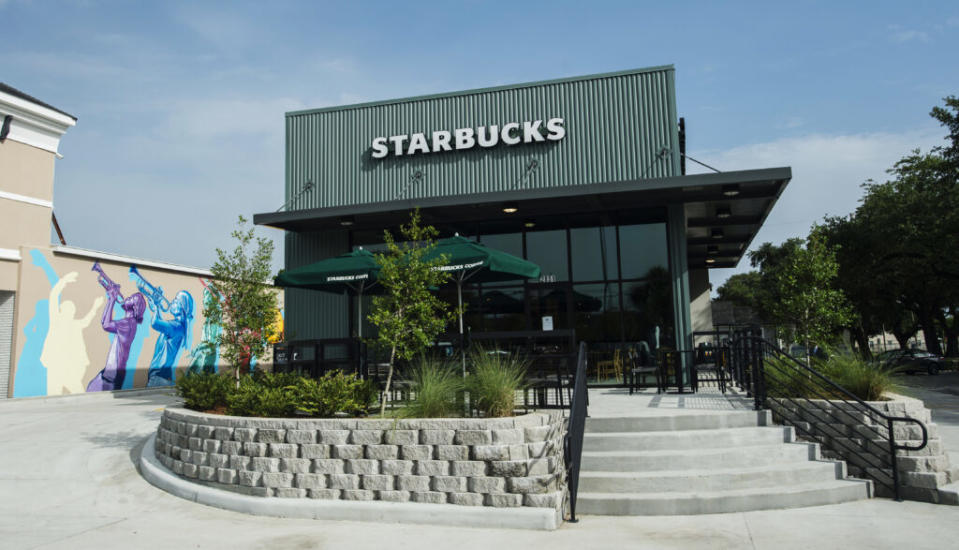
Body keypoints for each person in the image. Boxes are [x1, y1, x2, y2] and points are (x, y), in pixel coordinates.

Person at [41, 272, 104, 394]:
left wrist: (95, 308)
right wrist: (63, 281)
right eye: (68, 309)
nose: (70, 312)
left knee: (76, 391)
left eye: (72, 310)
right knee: (54, 394)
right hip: (55, 365)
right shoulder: (56, 320)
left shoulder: (75, 324)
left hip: (67, 366)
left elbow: (86, 321)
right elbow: (53, 296)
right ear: (62, 310)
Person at [86, 288, 146, 392]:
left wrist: (113, 299)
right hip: (111, 373)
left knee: (91, 392)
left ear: (135, 307)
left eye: (131, 298)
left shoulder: (127, 323)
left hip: (111, 375)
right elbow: (103, 321)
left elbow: (106, 325)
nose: (128, 297)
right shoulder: (129, 323)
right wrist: (110, 300)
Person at [146, 290, 194, 387]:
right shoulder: (177, 327)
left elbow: (155, 323)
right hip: (162, 377)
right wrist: (157, 307)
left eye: (176, 301)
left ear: (181, 308)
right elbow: (162, 325)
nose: (172, 302)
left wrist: (155, 309)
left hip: (158, 377)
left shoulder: (176, 327)